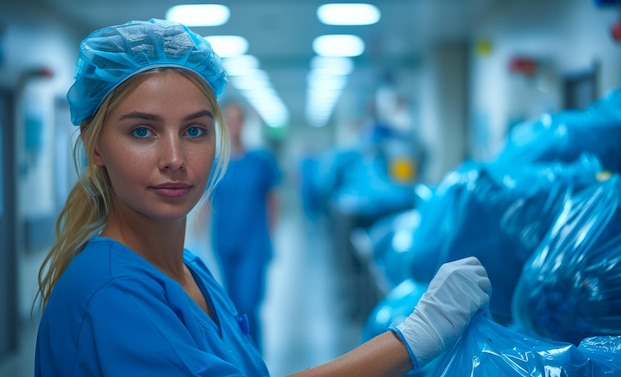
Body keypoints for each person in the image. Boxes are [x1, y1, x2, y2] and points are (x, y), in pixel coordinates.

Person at [34, 19, 492, 377]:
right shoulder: (109, 296)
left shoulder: (192, 272)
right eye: (141, 131)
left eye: (194, 130)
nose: (174, 158)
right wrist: (412, 338)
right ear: (96, 145)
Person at [208, 99, 281, 350]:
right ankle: (240, 356)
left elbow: (272, 200)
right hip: (224, 241)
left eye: (237, 118)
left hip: (254, 242)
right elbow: (208, 202)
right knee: (231, 304)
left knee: (249, 304)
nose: (232, 124)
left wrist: (270, 236)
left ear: (244, 123)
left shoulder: (260, 162)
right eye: (227, 119)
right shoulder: (215, 163)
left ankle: (255, 357)